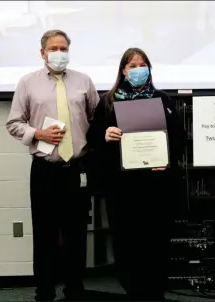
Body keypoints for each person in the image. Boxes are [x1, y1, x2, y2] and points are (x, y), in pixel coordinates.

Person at [6, 29, 100, 301]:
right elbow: (13, 123)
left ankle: (74, 289)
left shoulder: (84, 81)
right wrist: (38, 134)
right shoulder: (27, 83)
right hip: (45, 170)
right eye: (53, 48)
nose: (59, 53)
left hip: (78, 169)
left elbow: (95, 119)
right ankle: (44, 291)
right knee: (45, 234)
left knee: (77, 233)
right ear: (43, 52)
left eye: (63, 48)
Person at [87, 47, 186, 301]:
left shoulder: (163, 100)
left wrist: (166, 160)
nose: (138, 70)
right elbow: (93, 140)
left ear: (149, 69)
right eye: (132, 65)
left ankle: (156, 292)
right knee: (127, 242)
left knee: (157, 240)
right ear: (123, 70)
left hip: (157, 186)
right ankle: (134, 291)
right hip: (123, 188)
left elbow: (179, 138)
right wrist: (104, 135)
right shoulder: (108, 101)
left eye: (142, 65)